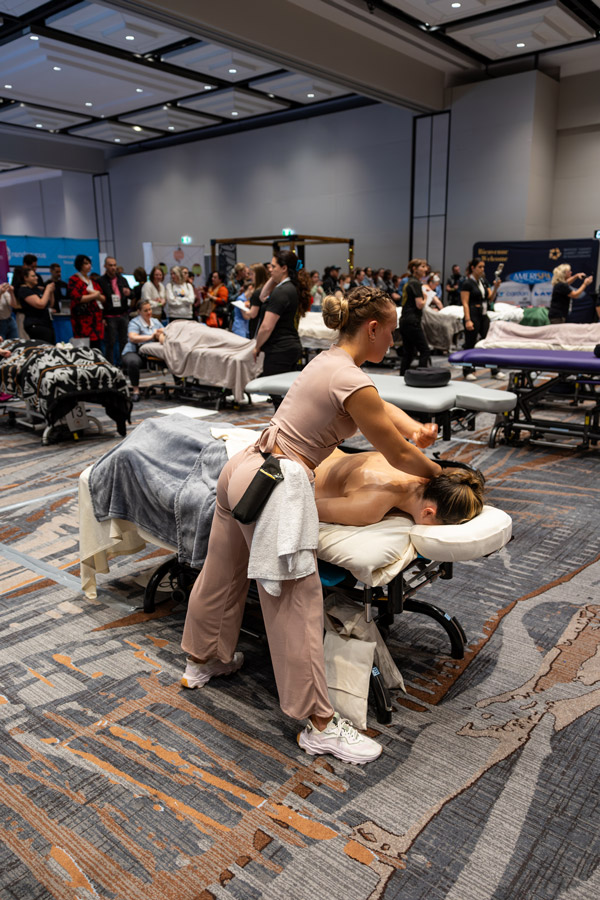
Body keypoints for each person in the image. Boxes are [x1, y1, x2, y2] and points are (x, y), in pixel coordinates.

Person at [180, 284, 441, 766]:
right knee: (296, 604)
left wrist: (414, 429)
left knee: (222, 571)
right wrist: (438, 472)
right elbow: (398, 455)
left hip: (244, 468)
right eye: (391, 332)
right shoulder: (351, 379)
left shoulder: (331, 362)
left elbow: (381, 410)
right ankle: (320, 726)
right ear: (373, 328)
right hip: (277, 484)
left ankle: (203, 661)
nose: (394, 340)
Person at [314, 447, 484, 526]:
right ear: (427, 513)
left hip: (317, 448)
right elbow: (306, 508)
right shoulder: (371, 507)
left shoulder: (414, 467)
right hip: (301, 469)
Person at [254, 250, 309, 402]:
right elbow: (262, 297)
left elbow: (266, 327)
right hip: (289, 347)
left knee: (278, 396)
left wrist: (257, 347)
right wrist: (274, 278)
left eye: (273, 266)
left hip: (279, 348)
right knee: (284, 397)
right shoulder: (290, 287)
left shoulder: (281, 292)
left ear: (284, 268)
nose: (270, 269)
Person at [460, 257, 504, 381]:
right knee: (470, 344)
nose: (482, 269)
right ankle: (468, 371)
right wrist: (468, 320)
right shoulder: (467, 283)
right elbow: (465, 303)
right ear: (473, 268)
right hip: (472, 315)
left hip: (483, 315)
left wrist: (496, 287)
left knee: (489, 342)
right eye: (480, 267)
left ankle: (494, 370)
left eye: (483, 267)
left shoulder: (483, 281)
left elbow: (490, 298)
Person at [121, 300, 164, 402]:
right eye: (145, 310)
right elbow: (133, 338)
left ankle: (179, 384)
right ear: (139, 312)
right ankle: (136, 390)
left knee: (172, 355)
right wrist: (151, 336)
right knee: (133, 362)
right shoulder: (134, 322)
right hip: (134, 351)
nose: (149, 312)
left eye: (150, 309)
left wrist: (161, 334)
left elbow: (165, 331)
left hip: (151, 352)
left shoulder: (155, 322)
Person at [399, 258, 431, 375]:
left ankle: (402, 377)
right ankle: (421, 377)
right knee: (425, 351)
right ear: (414, 269)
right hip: (412, 321)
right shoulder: (416, 283)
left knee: (409, 353)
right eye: (422, 266)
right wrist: (426, 297)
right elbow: (419, 304)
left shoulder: (409, 281)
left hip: (405, 320)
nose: (425, 269)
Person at [98, 256, 131, 365]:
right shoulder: (101, 281)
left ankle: (124, 365)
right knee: (110, 343)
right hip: (110, 316)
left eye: (114, 265)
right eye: (110, 265)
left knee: (124, 342)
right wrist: (102, 317)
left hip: (123, 314)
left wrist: (129, 292)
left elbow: (132, 294)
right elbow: (99, 302)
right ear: (105, 266)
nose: (113, 267)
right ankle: (110, 366)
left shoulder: (122, 280)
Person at [67, 254, 104, 350]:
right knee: (82, 349)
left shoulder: (93, 281)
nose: (89, 266)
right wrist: (94, 295)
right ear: (80, 265)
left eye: (89, 263)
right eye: (86, 263)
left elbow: (103, 298)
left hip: (96, 320)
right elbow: (77, 298)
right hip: (81, 320)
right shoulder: (74, 280)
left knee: (96, 348)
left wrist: (96, 295)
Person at [17, 267, 56, 343]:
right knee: (43, 346)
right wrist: (47, 290)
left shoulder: (37, 289)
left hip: (46, 323)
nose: (36, 278)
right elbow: (40, 304)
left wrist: (51, 292)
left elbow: (50, 304)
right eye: (33, 276)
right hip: (35, 324)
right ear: (25, 278)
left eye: (36, 275)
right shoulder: (24, 290)